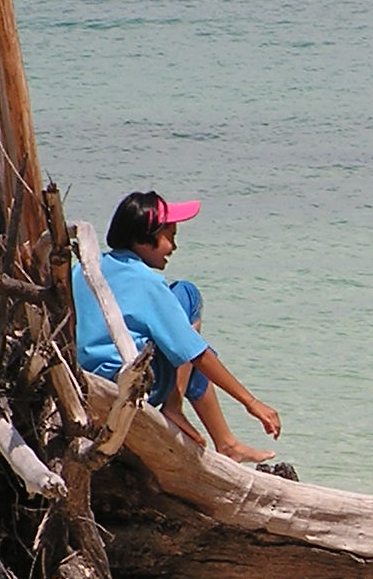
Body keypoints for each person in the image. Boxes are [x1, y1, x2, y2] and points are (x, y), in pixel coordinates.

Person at [73, 191, 282, 464]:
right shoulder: (147, 283)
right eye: (169, 237)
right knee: (187, 296)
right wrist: (252, 404)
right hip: (133, 386)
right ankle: (181, 410)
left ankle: (224, 441)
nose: (174, 247)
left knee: (179, 329)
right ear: (143, 240)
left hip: (86, 381)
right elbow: (198, 355)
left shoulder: (86, 268)